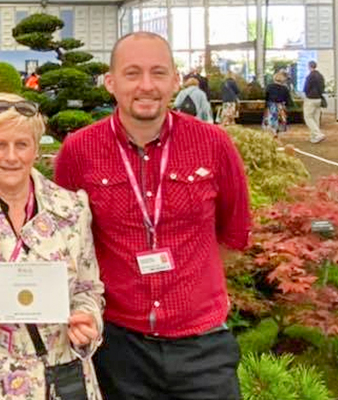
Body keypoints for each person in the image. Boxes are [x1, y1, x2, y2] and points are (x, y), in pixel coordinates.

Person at [55, 31, 252, 400]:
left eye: (158, 73)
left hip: (203, 348)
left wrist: (191, 284)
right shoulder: (78, 152)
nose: (146, 85)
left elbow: (234, 234)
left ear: (176, 79)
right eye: (132, 74)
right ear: (110, 82)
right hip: (117, 348)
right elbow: (68, 245)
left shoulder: (214, 145)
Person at [0, 93, 105, 399]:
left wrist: (88, 323)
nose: (11, 157)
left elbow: (89, 288)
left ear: (36, 147)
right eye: (0, 144)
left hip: (59, 376)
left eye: (21, 144)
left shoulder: (71, 210)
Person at [263, 72, 294, 137]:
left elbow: (266, 96)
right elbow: (288, 98)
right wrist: (288, 105)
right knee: (280, 119)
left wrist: (265, 105)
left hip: (271, 105)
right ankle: (277, 131)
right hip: (281, 105)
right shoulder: (285, 88)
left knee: (272, 119)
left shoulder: (269, 86)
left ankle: (273, 132)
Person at [303, 60, 326, 144]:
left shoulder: (310, 76)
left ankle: (317, 134)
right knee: (316, 117)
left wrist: (307, 94)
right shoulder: (320, 76)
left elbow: (306, 88)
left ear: (309, 66)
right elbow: (323, 87)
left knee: (308, 117)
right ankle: (314, 137)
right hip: (318, 98)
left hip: (310, 98)